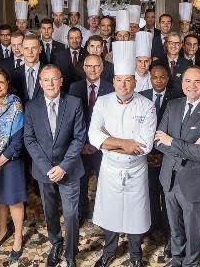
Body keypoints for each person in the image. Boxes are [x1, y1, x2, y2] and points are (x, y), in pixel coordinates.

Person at [89, 41, 157, 267]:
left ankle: (136, 255)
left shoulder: (147, 106)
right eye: (119, 80)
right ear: (114, 81)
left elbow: (144, 146)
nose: (124, 85)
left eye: (129, 80)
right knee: (110, 214)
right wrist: (125, 143)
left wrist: (109, 141)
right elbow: (93, 137)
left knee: (136, 216)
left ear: (135, 82)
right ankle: (109, 251)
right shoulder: (102, 102)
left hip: (135, 170)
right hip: (110, 168)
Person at [155, 66, 200, 267]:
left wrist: (171, 141)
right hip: (169, 177)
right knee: (174, 225)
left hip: (194, 181)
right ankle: (177, 257)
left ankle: (191, 262)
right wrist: (187, 147)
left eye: (197, 81)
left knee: (193, 228)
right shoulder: (173, 105)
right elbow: (157, 141)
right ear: (182, 83)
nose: (192, 86)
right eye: (188, 81)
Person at [24, 65, 86, 267]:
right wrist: (47, 168)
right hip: (44, 171)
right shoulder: (31, 107)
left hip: (69, 168)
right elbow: (29, 139)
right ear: (40, 83)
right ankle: (56, 243)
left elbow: (79, 138)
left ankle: (70, 254)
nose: (50, 84)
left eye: (54, 79)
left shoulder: (74, 103)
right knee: (49, 211)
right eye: (46, 80)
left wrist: (63, 167)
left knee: (70, 214)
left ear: (61, 81)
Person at [0, 68, 27, 260]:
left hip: (10, 160)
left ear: (7, 84)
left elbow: (18, 139)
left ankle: (17, 236)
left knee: (13, 200)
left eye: (2, 82)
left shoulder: (15, 104)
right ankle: (2, 230)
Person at [140, 64, 183, 256]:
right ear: (150, 77)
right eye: (155, 77)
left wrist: (163, 153)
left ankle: (168, 232)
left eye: (162, 77)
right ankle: (150, 226)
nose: (158, 80)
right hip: (145, 154)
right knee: (148, 192)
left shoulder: (176, 97)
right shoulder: (141, 95)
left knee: (168, 195)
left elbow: (178, 129)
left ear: (168, 78)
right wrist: (147, 152)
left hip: (168, 155)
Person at [69, 54, 115, 226]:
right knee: (80, 181)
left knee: (106, 182)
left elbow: (114, 121)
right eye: (89, 66)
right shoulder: (74, 88)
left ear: (102, 68)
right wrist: (82, 144)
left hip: (102, 147)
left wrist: (99, 143)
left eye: (96, 66)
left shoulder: (111, 88)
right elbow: (71, 121)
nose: (93, 69)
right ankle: (81, 212)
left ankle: (105, 214)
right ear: (84, 68)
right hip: (81, 146)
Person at [11, 34, 44, 104]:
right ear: (22, 50)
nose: (30, 52)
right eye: (26, 48)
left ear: (40, 49)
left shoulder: (49, 73)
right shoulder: (14, 74)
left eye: (34, 48)